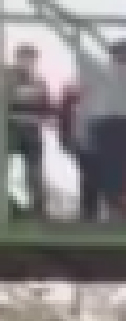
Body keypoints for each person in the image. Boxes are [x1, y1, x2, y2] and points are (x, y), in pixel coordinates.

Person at [74, 41, 126, 223]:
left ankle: (117, 210)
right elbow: (89, 100)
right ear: (116, 54)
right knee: (106, 168)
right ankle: (104, 211)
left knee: (122, 168)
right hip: (107, 124)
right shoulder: (102, 72)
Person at [5, 47, 51, 218]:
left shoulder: (38, 82)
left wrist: (42, 116)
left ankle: (38, 209)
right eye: (24, 58)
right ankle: (9, 207)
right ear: (17, 58)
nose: (27, 62)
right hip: (10, 129)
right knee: (7, 168)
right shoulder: (7, 78)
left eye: (31, 59)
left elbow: (45, 106)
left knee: (34, 170)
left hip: (31, 129)